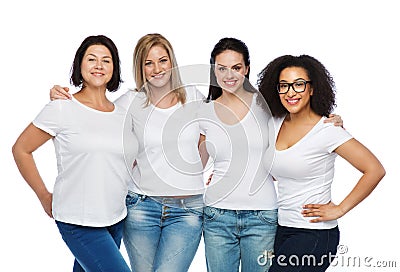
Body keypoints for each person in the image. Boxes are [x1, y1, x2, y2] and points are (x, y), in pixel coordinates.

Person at [50, 33, 205, 272]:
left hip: (187, 211)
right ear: (140, 68)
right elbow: (95, 115)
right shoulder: (130, 102)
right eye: (148, 63)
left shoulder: (193, 96)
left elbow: (214, 131)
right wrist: (61, 99)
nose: (157, 69)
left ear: (172, 63)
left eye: (163, 60)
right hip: (141, 207)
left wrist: (197, 168)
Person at [199, 38, 343, 272]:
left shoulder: (268, 106)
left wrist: (332, 119)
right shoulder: (202, 111)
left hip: (262, 217)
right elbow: (194, 163)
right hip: (216, 216)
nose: (229, 75)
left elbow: (300, 126)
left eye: (236, 67)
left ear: (246, 68)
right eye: (221, 68)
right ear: (213, 71)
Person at [12, 35, 135, 272]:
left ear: (114, 68)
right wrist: (43, 195)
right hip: (78, 220)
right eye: (92, 59)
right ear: (80, 65)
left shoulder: (121, 113)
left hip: (115, 217)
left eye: (106, 60)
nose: (99, 65)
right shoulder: (62, 107)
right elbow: (21, 149)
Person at [257, 54, 385, 271]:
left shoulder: (327, 130)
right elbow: (277, 171)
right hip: (282, 228)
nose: (291, 92)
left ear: (312, 89)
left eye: (299, 85)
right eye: (284, 86)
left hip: (315, 233)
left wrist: (340, 209)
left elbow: (374, 169)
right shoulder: (274, 123)